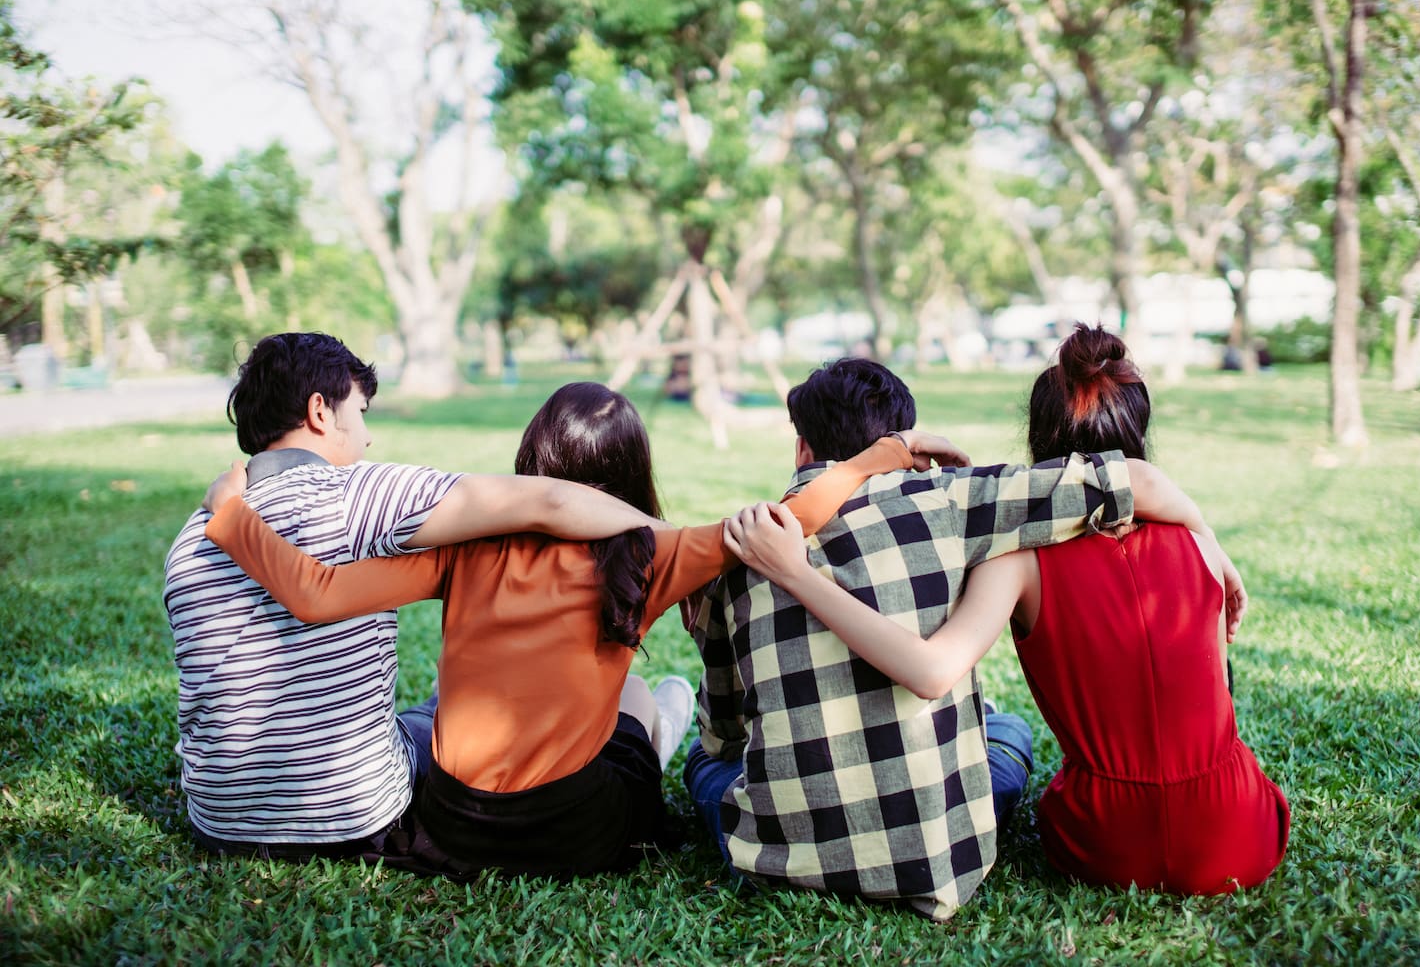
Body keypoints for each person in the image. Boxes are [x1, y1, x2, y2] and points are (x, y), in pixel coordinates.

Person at [197, 381, 966, 880]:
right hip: (579, 834)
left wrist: (232, 517)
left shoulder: (466, 547)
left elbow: (316, 593)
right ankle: (660, 719)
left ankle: (644, 715)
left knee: (453, 712)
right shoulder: (651, 549)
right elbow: (787, 519)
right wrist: (882, 456)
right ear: (631, 470)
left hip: (454, 829)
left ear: (533, 458)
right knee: (640, 697)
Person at [729, 326, 1288, 896]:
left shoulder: (1017, 562)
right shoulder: (1197, 548)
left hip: (1104, 842)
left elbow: (928, 671)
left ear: (1038, 442)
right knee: (1010, 733)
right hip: (1237, 832)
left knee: (725, 766)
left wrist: (797, 573)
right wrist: (1211, 543)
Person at [163, 333, 671, 862]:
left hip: (219, 821)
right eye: (360, 413)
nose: (367, 440)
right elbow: (550, 501)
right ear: (320, 411)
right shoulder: (357, 493)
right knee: (453, 718)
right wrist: (670, 539)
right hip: (352, 815)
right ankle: (661, 718)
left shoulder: (192, 535)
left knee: (433, 705)